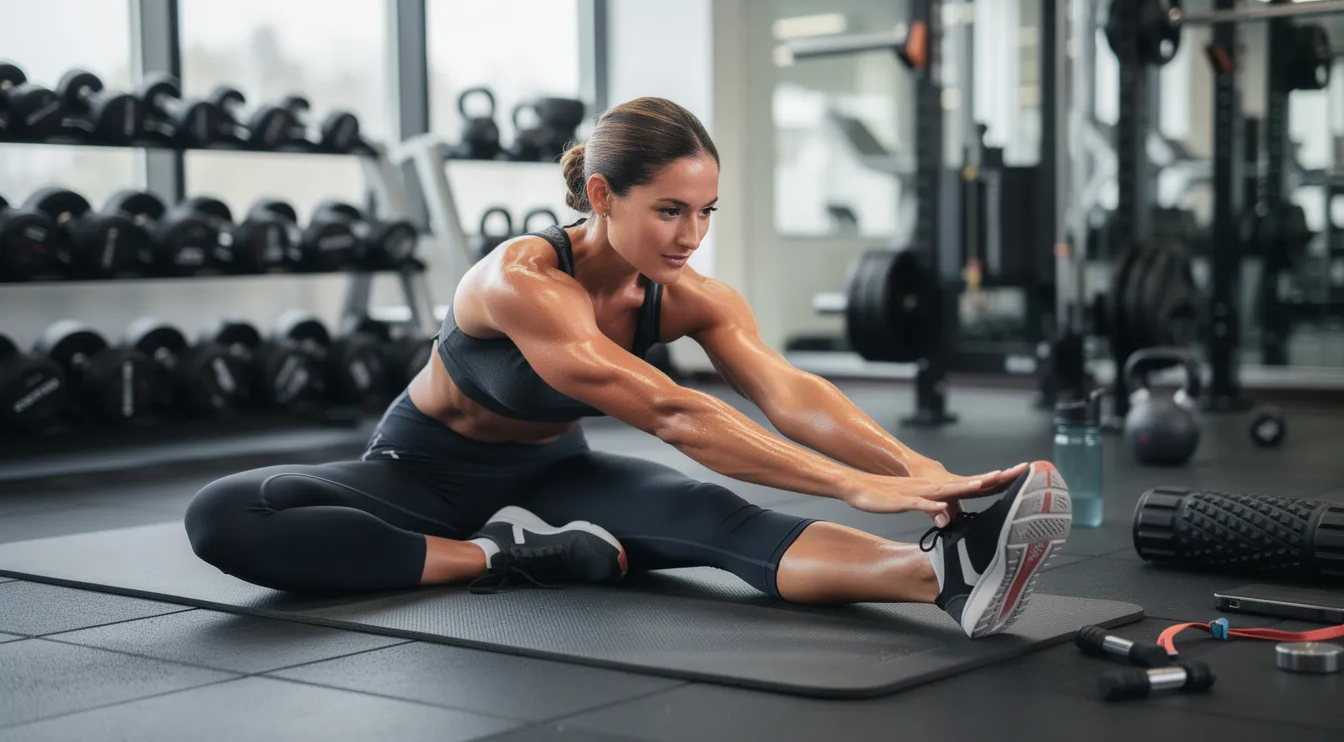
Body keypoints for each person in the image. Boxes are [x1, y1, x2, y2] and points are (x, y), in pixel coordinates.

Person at [184, 97, 1071, 638]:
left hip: (551, 469)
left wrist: (917, 471)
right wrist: (848, 485)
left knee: (716, 520)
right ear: (603, 197)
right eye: (670, 211)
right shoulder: (523, 281)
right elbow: (674, 414)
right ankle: (498, 558)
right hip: (418, 472)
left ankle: (945, 579)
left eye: (707, 212)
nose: (691, 237)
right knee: (226, 513)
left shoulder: (690, 295)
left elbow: (792, 394)